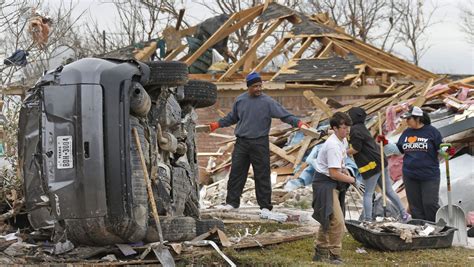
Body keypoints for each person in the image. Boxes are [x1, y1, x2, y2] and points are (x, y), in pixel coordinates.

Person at [209, 72, 308, 217]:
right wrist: (217, 124)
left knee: (262, 175)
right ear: (248, 87)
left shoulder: (267, 102)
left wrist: (299, 123)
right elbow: (232, 117)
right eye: (255, 86)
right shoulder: (240, 100)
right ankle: (232, 203)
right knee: (236, 173)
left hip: (259, 142)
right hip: (242, 142)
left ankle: (265, 206)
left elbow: (284, 115)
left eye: (260, 85)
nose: (259, 88)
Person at [377, 106, 448, 222]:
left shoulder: (432, 132)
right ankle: (420, 229)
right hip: (410, 175)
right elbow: (399, 150)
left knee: (430, 203)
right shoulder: (407, 133)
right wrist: (385, 143)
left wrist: (447, 151)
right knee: (415, 206)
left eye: (409, 119)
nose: (406, 121)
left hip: (429, 175)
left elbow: (441, 148)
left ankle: (433, 227)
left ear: (417, 118)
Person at [347, 107, 409, 222]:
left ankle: (367, 220)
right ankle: (404, 214)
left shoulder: (355, 130)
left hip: (370, 165)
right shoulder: (361, 127)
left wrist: (342, 152)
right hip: (380, 161)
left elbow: (356, 148)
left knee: (368, 194)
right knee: (389, 191)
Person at [312, 112, 354, 264]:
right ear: (335, 128)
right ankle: (334, 254)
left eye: (348, 127)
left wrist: (346, 170)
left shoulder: (342, 140)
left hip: (332, 181)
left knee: (328, 218)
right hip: (324, 182)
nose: (347, 130)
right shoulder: (333, 145)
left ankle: (320, 250)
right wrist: (352, 179)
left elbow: (339, 166)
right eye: (344, 128)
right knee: (337, 220)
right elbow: (333, 173)